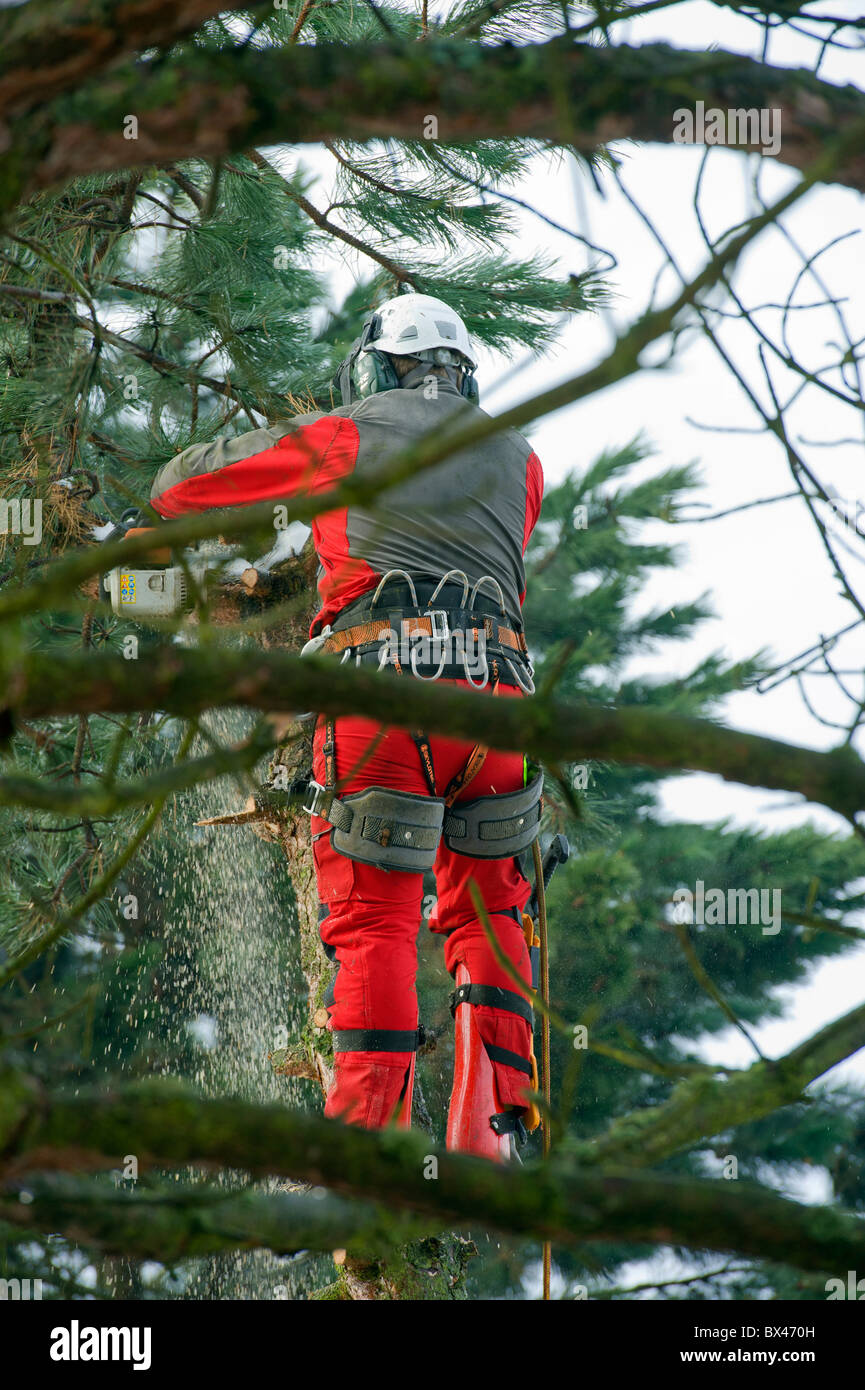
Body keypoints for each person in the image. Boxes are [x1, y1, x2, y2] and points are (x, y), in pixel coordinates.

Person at [150, 293, 544, 1160]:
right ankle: (497, 1131)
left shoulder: (348, 432)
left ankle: (367, 1161)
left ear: (379, 365)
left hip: (387, 693)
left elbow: (179, 488)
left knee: (375, 928)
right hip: (498, 710)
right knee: (489, 911)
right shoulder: (520, 458)